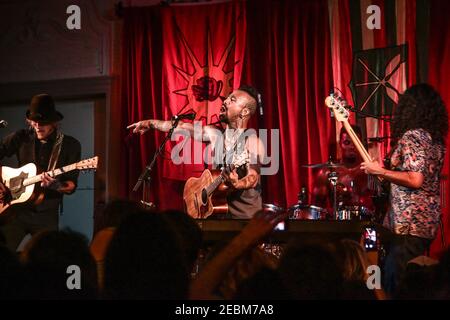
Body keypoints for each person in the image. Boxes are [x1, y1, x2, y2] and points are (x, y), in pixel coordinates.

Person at [360, 83, 448, 296]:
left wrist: (380, 171)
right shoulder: (434, 140)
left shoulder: (413, 136)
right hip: (424, 225)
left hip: (408, 227)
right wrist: (382, 171)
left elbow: (415, 179)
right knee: (410, 285)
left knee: (394, 285)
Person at [128, 85, 265, 219]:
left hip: (244, 220)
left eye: (232, 100)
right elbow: (180, 127)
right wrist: (150, 123)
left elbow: (253, 177)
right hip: (218, 215)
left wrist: (237, 183)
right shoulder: (215, 134)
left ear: (245, 112)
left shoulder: (252, 141)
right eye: (227, 98)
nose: (225, 101)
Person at [0, 94, 81, 252]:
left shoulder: (70, 145)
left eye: (42, 122)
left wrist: (56, 184)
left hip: (47, 215)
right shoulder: (21, 137)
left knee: (50, 260)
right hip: (16, 210)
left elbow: (71, 186)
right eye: (34, 121)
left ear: (54, 122)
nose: (37, 126)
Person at [312, 125, 374, 219]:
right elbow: (316, 209)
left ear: (361, 144)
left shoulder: (371, 171)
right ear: (340, 144)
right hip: (337, 226)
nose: (352, 147)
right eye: (347, 142)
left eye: (355, 143)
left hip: (367, 225)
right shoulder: (326, 173)